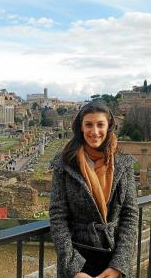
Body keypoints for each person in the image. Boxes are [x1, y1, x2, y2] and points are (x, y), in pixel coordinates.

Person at [49, 102, 138, 278]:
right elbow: (58, 216)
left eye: (100, 125)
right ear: (80, 127)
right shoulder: (64, 163)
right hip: (77, 256)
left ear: (109, 127)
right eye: (88, 124)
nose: (94, 131)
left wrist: (119, 265)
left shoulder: (123, 164)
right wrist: (73, 269)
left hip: (112, 256)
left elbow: (130, 215)